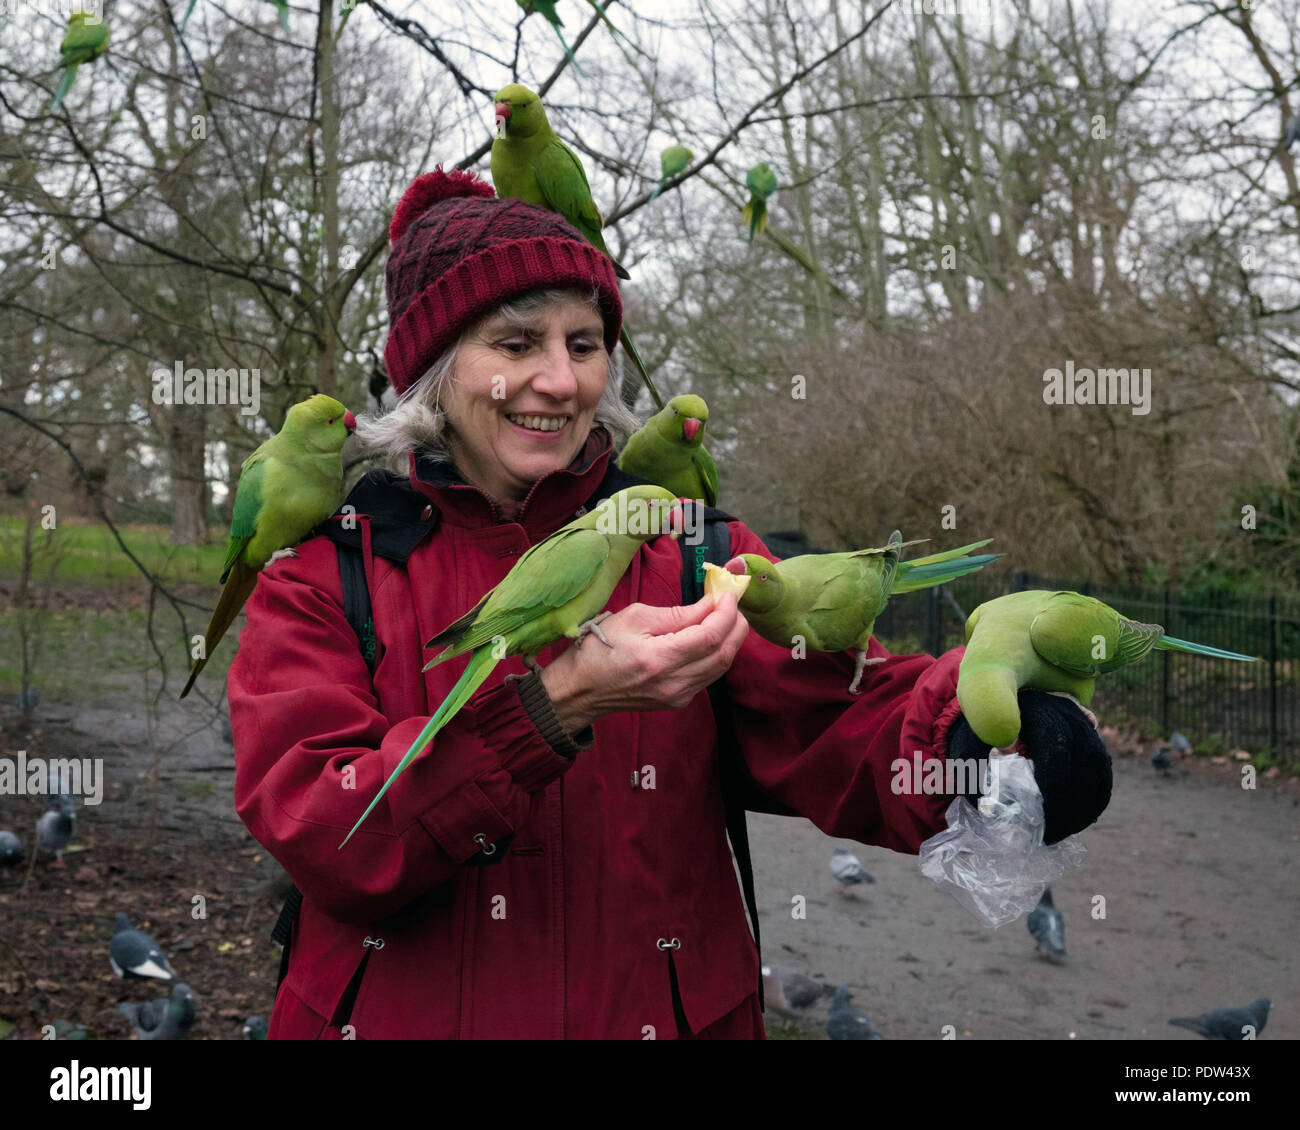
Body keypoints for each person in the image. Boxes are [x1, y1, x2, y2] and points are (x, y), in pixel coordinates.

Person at [228, 167, 1112, 1039]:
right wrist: (556, 705)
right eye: (514, 343)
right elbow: (330, 836)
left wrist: (979, 742)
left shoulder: (696, 553)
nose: (561, 381)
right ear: (431, 371)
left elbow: (840, 722)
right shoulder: (323, 578)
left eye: (583, 344)